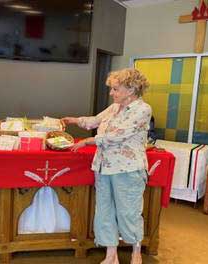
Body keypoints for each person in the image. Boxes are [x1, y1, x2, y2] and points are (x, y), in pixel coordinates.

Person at [62, 68, 151, 264]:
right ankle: (111, 255)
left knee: (129, 212)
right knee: (105, 211)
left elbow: (118, 134)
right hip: (103, 167)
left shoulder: (142, 110)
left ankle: (136, 252)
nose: (111, 93)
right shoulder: (114, 107)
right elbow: (95, 120)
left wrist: (88, 142)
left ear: (131, 89)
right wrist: (75, 120)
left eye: (115, 89)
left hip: (128, 169)